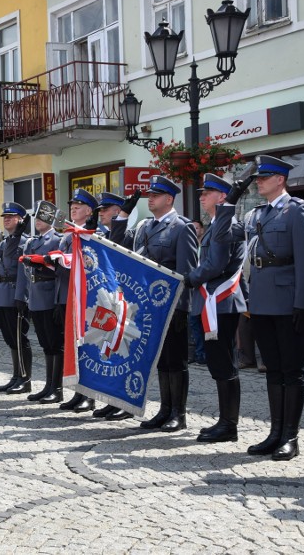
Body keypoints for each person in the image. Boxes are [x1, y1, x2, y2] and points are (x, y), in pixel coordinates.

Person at [242, 155, 304, 461]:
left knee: (291, 369)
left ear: (280, 180)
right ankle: (275, 433)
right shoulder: (258, 214)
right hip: (262, 302)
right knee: (272, 369)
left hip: (288, 303)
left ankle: (291, 436)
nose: (259, 181)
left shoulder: (296, 210)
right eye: (258, 177)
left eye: (264, 177)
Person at [111, 177, 198, 426]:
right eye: (150, 194)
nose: (150, 198)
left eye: (156, 195)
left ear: (169, 199)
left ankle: (178, 414)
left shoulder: (182, 227)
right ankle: (165, 410)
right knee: (160, 359)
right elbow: (118, 243)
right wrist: (124, 213)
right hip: (149, 306)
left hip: (171, 305)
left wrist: (182, 307)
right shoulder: (144, 226)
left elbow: (186, 271)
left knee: (176, 358)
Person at [183, 174, 247, 441]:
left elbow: (215, 265)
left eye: (208, 192)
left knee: (224, 364)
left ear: (223, 197)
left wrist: (189, 278)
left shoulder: (226, 224)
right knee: (219, 364)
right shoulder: (214, 225)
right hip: (213, 303)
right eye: (201, 192)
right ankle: (225, 422)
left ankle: (228, 425)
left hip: (222, 302)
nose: (201, 196)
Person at [57, 189, 105, 413]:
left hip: (92, 298)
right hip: (73, 295)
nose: (73, 208)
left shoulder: (95, 233)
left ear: (89, 211)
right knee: (76, 347)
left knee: (90, 347)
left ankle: (89, 396)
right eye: (72, 205)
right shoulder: (70, 234)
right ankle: (78, 392)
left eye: (78, 206)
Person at [20, 202, 63, 404]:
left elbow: (60, 267)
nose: (38, 221)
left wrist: (41, 261)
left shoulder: (57, 239)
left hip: (49, 292)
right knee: (45, 343)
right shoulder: (33, 241)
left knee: (55, 342)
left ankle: (57, 388)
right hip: (36, 294)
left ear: (51, 220)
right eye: (37, 218)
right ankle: (48, 386)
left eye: (42, 218)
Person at [0, 202, 32, 394]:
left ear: (21, 220)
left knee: (19, 337)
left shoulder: (23, 241)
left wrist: (22, 297)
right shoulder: (4, 242)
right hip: (2, 293)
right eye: (4, 217)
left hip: (15, 292)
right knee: (9, 338)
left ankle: (25, 378)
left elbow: (20, 267)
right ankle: (16, 376)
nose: (6, 219)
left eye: (11, 217)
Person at [189, 220, 208, 365]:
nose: (194, 230)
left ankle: (205, 353)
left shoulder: (206, 244)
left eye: (197, 228)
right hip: (193, 287)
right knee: (194, 322)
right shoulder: (191, 245)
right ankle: (199, 353)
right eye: (192, 228)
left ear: (202, 229)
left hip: (206, 287)